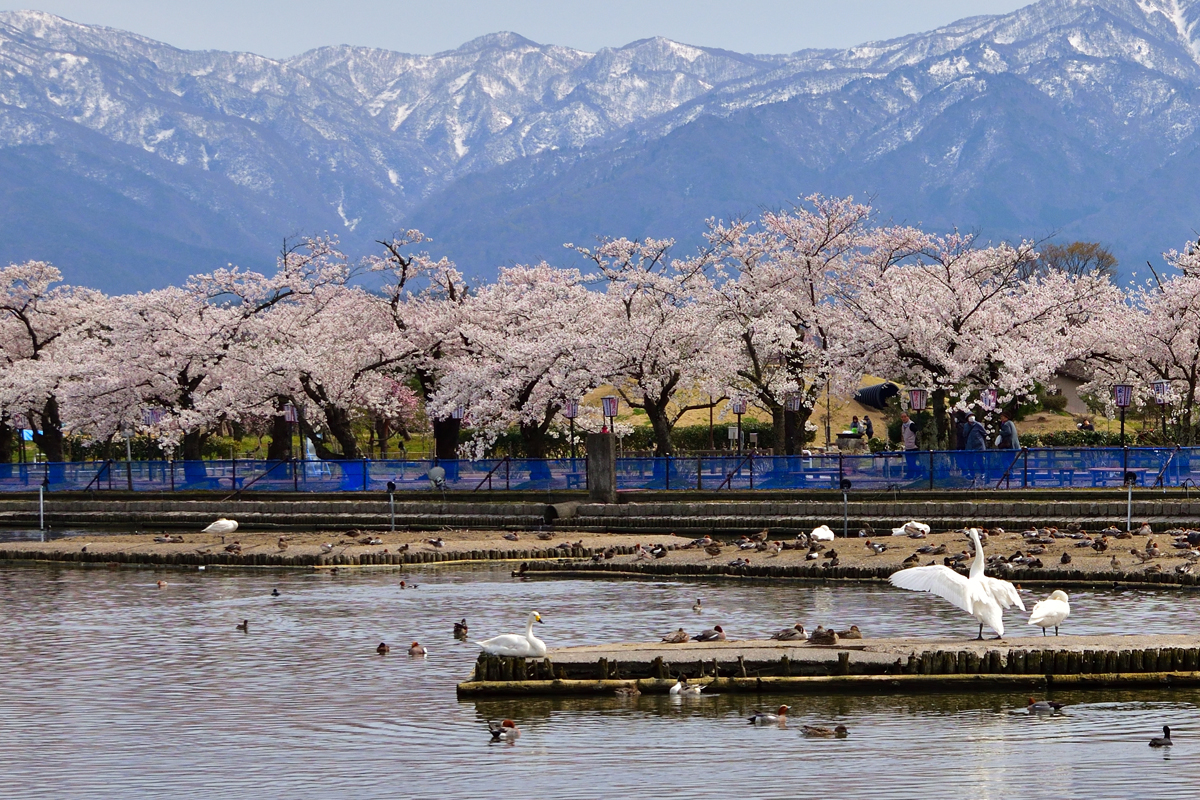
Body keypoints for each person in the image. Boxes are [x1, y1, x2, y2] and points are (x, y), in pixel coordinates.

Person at [962, 414, 987, 480]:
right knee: (970, 462)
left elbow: (984, 433)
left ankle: (983, 473)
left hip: (979, 446)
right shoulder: (966, 426)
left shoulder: (978, 425)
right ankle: (972, 474)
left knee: (980, 461)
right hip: (970, 446)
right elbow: (964, 435)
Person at [900, 412, 922, 478]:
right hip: (907, 447)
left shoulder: (911, 425)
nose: (903, 418)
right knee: (909, 462)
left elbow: (918, 433)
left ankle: (918, 471)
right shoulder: (903, 425)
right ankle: (911, 474)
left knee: (912, 462)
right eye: (902, 417)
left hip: (913, 446)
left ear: (908, 417)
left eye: (905, 416)